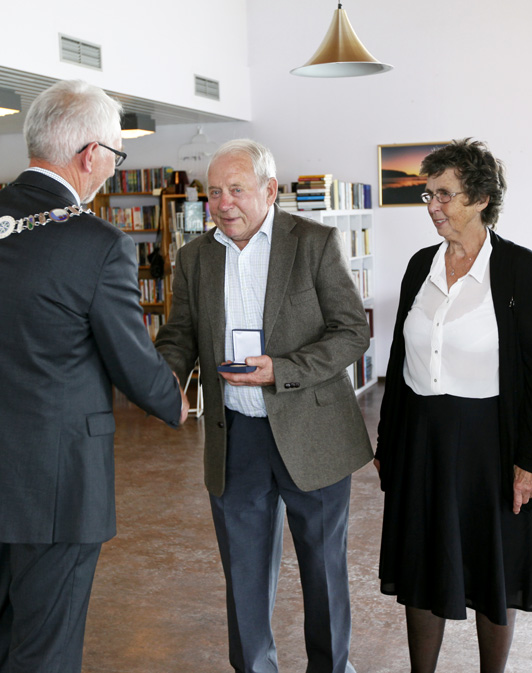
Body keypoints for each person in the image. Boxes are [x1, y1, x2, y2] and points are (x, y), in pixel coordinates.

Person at [0, 79, 189, 673]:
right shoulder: (98, 243)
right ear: (90, 156)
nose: (111, 169)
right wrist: (175, 403)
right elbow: (131, 360)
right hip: (53, 483)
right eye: (114, 156)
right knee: (46, 646)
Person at [153, 139, 373, 673]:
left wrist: (284, 369)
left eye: (237, 189)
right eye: (214, 192)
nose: (223, 202)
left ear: (270, 191)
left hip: (312, 433)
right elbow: (179, 336)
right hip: (238, 439)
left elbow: (352, 333)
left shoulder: (315, 243)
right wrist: (165, 379)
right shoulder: (194, 257)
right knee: (244, 575)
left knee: (323, 571)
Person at [375, 138, 532, 673]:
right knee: (422, 568)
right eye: (428, 194)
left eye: (444, 195)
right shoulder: (419, 266)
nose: (432, 206)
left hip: (490, 442)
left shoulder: (519, 269)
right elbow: (399, 358)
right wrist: (388, 443)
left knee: (492, 567)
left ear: (479, 198)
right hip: (421, 440)